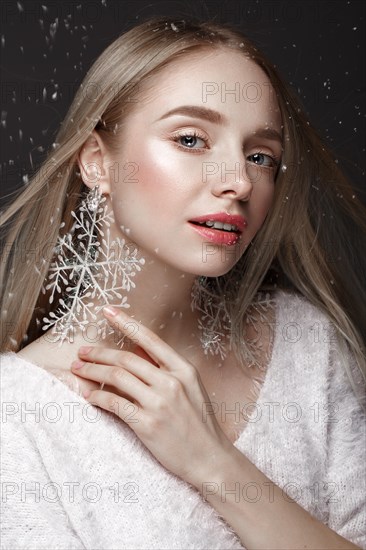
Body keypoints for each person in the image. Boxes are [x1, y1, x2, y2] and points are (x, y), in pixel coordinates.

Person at [0, 16, 365, 550]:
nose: (238, 180)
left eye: (260, 155)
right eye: (191, 139)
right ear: (99, 162)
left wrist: (213, 462)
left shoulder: (307, 344)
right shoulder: (20, 414)